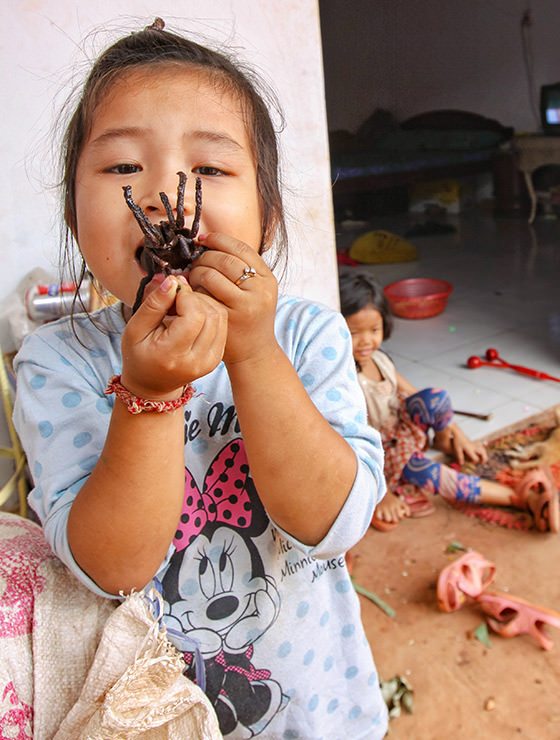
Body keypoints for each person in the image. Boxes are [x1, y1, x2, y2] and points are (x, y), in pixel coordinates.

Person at [12, 20, 389, 739]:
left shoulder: (307, 336)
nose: (164, 195)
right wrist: (147, 398)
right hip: (151, 719)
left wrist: (253, 352)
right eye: (123, 169)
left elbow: (331, 523)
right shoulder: (57, 364)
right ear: (75, 217)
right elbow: (113, 568)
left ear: (268, 216)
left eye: (209, 171)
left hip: (314, 714)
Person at [338, 270, 559, 532]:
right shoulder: (345, 380)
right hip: (383, 454)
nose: (367, 341)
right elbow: (348, 446)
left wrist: (458, 435)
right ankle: (521, 498)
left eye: (374, 329)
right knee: (432, 474)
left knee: (436, 397)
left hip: (404, 430)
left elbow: (412, 394)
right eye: (353, 333)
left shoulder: (379, 360)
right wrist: (380, 495)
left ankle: (443, 441)